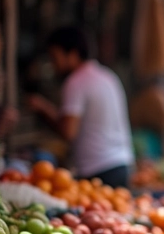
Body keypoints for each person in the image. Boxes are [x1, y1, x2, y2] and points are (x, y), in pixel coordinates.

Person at [29, 26, 134, 187]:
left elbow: (68, 131)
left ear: (72, 54)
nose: (53, 65)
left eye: (55, 57)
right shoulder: (108, 76)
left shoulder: (76, 82)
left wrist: (43, 109)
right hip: (122, 163)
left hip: (98, 170)